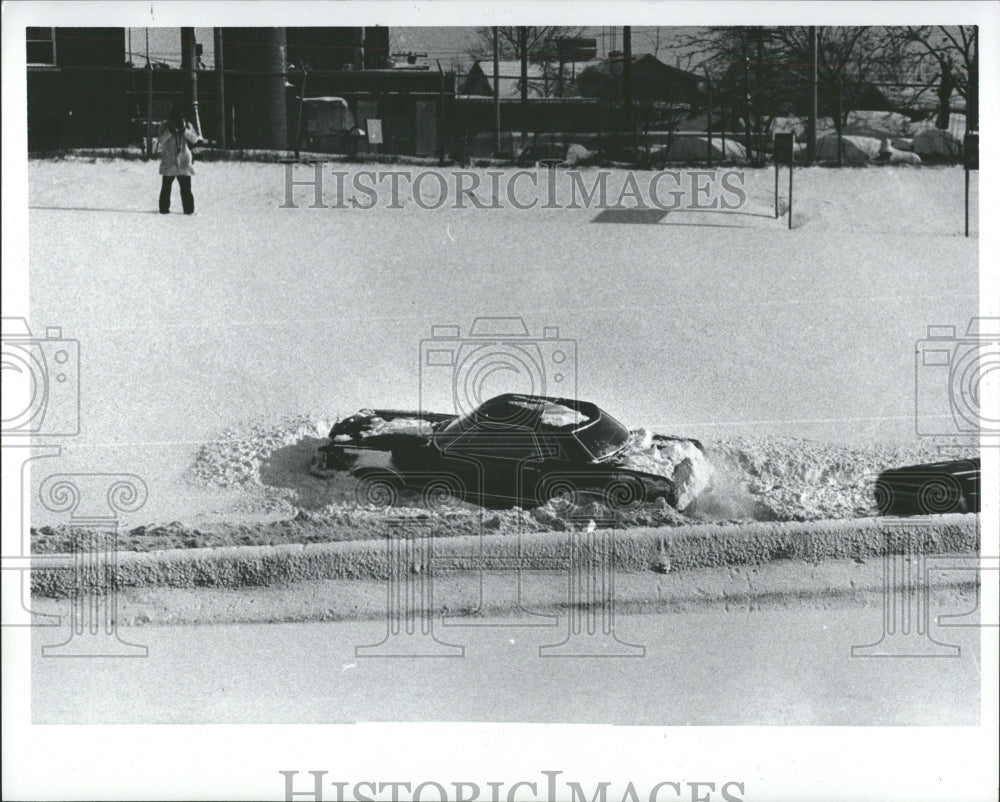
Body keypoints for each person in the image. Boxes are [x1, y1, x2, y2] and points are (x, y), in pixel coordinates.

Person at [157, 109, 200, 214]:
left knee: (186, 189)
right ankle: (163, 210)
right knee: (166, 189)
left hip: (184, 161)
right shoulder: (164, 126)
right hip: (169, 161)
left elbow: (194, 139)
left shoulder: (188, 125)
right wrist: (170, 132)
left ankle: (189, 211)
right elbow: (160, 140)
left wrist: (184, 130)